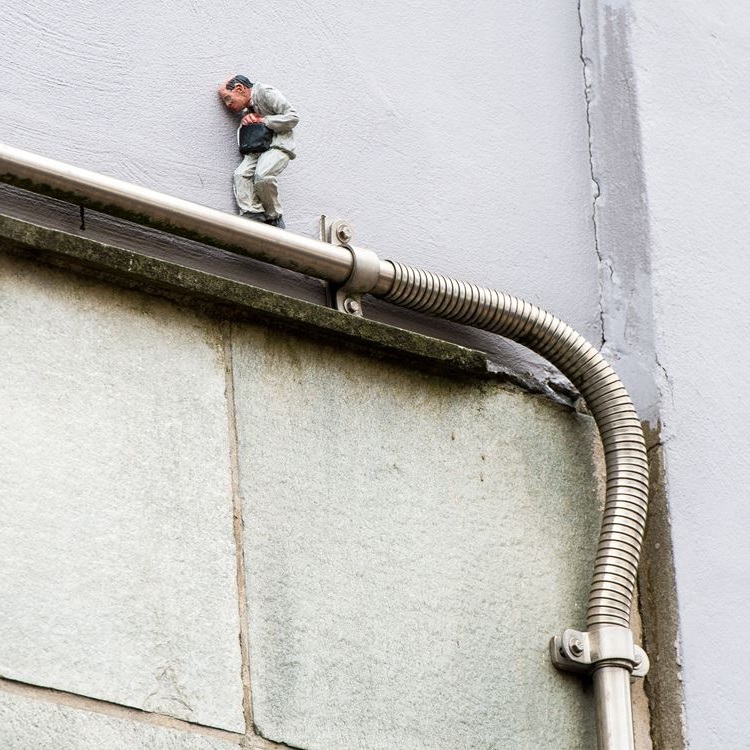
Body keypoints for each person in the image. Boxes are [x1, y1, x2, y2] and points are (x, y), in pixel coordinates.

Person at [218, 75, 299, 229]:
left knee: (263, 175)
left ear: (239, 89)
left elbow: (293, 117)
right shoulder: (247, 109)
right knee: (240, 175)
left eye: (228, 99)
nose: (228, 105)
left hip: (278, 145)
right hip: (258, 148)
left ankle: (274, 215)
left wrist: (265, 121)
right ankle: (252, 213)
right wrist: (246, 122)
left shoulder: (266, 93)